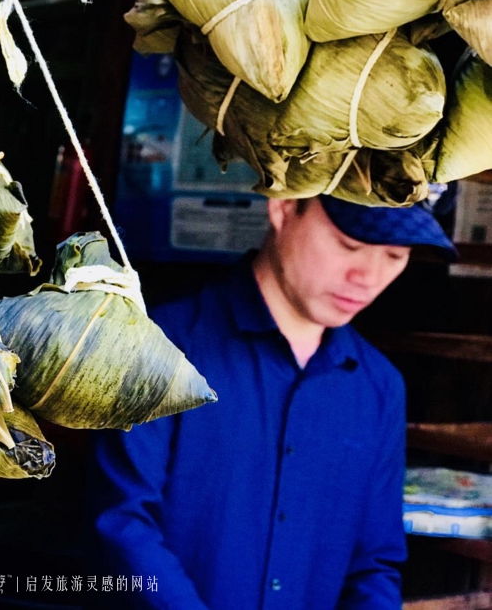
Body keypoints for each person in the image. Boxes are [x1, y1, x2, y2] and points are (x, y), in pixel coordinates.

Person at [87, 195, 457, 610]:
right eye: (348, 245)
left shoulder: (380, 388)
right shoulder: (156, 345)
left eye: (394, 255)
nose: (367, 276)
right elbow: (122, 524)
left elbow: (374, 563)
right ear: (283, 206)